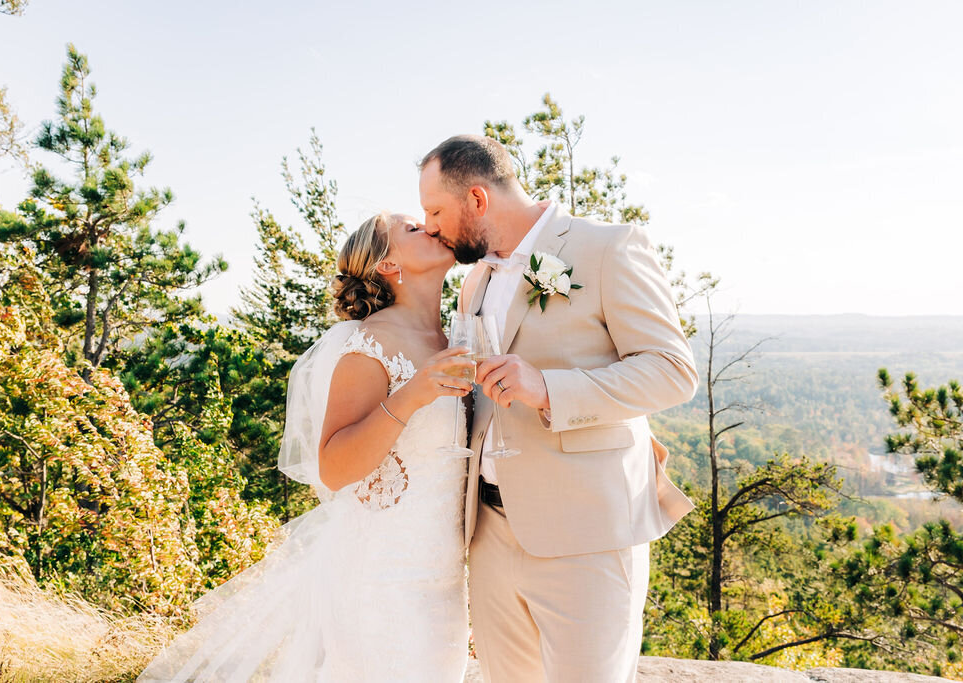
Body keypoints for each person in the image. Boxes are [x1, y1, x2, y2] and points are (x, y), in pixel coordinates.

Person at [139, 212, 473, 682]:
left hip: (443, 577)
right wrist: (413, 393)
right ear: (388, 265)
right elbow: (334, 467)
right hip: (384, 578)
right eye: (412, 229)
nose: (431, 227)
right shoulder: (368, 345)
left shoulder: (456, 335)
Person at [419, 134, 699, 682]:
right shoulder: (474, 280)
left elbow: (673, 370)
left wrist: (548, 388)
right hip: (491, 532)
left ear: (477, 199)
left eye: (436, 210)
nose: (430, 225)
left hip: (587, 532)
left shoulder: (608, 248)